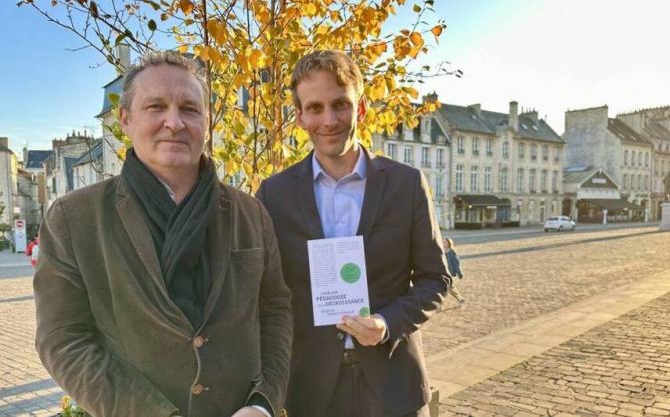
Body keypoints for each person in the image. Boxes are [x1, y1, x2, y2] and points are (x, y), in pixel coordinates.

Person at [34, 51, 293, 417]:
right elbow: (63, 339)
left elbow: (275, 311)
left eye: (189, 109)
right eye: (156, 106)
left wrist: (263, 402)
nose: (174, 122)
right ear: (125, 119)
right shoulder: (74, 220)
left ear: (207, 120)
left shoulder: (250, 214)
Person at [256, 50, 450, 417]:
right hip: (313, 391)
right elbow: (265, 293)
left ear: (360, 109)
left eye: (340, 104)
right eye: (315, 108)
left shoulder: (406, 184)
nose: (329, 120)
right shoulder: (274, 194)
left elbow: (435, 279)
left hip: (395, 387)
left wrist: (385, 323)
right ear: (299, 116)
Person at [443, 238, 465, 304]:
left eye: (445, 242)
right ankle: (460, 298)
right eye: (443, 242)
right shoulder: (442, 251)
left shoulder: (451, 251)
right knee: (450, 287)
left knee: (447, 287)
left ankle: (440, 302)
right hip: (443, 272)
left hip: (449, 273)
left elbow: (456, 262)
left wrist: (459, 272)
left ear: (449, 243)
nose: (443, 243)